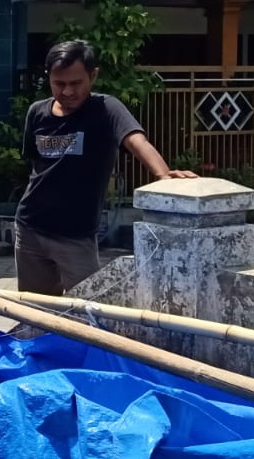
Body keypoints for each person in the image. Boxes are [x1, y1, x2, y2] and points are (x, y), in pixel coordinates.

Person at [16, 39, 196, 296]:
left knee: (89, 310)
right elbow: (36, 165)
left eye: (76, 83)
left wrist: (163, 174)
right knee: (35, 311)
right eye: (59, 83)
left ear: (93, 75)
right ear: (49, 78)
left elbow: (136, 139)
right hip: (30, 228)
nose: (67, 92)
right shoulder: (37, 112)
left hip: (76, 237)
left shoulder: (105, 109)